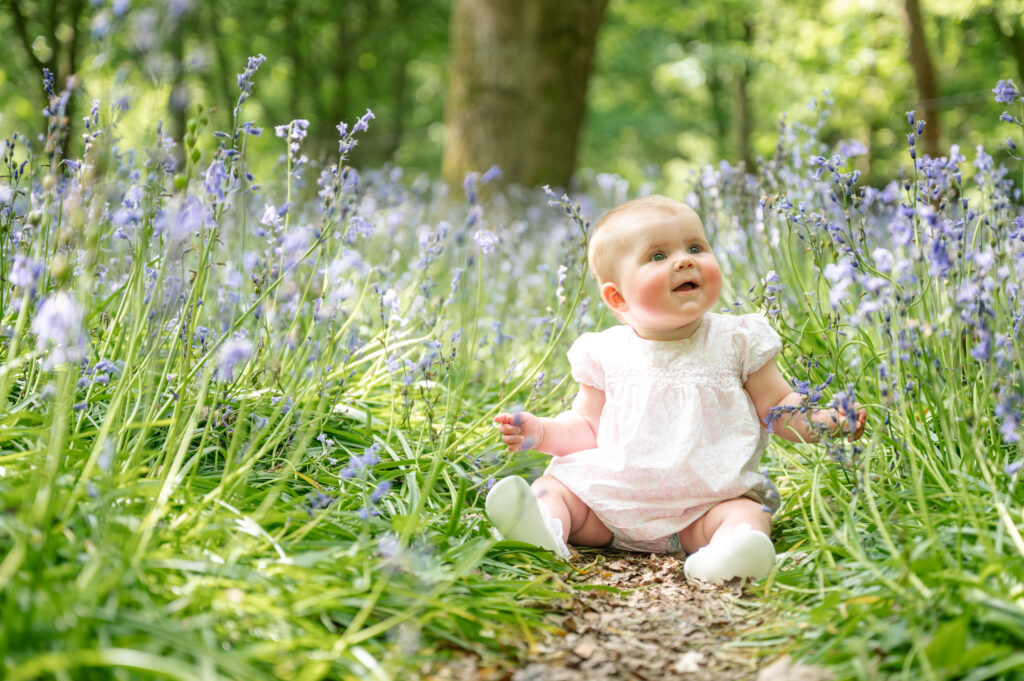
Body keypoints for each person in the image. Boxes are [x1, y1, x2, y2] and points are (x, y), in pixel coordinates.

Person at [485, 195, 866, 582]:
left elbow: (778, 408)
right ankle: (543, 532)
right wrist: (542, 432)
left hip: (702, 507)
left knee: (747, 513)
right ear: (617, 297)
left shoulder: (737, 341)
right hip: (608, 505)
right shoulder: (604, 352)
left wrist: (821, 422)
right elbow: (586, 427)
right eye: (657, 256)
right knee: (557, 488)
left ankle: (728, 555)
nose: (684, 260)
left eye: (696, 247)